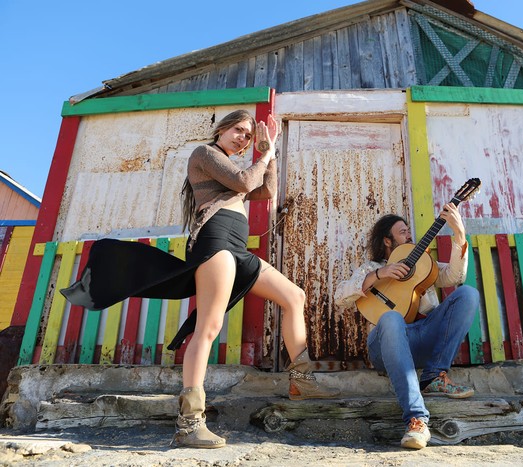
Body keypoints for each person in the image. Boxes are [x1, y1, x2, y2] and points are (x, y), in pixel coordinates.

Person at [61, 109, 338, 450]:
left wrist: (271, 151)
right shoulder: (205, 155)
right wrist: (263, 154)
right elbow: (247, 183)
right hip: (215, 243)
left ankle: (302, 380)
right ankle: (190, 423)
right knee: (208, 327)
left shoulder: (237, 169)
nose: (243, 138)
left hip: (238, 248)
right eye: (238, 130)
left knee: (294, 296)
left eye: (248, 136)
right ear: (221, 130)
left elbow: (265, 190)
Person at [334, 205, 480, 450]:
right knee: (391, 318)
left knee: (468, 294)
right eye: (403, 232)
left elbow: (455, 276)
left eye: (409, 232)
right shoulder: (372, 268)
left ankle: (434, 374)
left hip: (424, 338)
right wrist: (381, 273)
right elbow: (340, 296)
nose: (409, 236)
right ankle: (417, 419)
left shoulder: (425, 266)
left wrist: (459, 235)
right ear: (388, 241)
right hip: (385, 348)